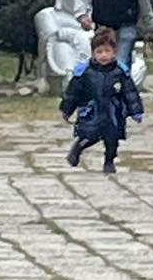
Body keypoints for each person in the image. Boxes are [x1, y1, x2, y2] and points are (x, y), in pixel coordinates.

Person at [60, 26, 144, 175]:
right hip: (92, 111)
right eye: (99, 52)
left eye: (107, 51)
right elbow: (73, 93)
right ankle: (77, 149)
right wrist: (67, 109)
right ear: (93, 53)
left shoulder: (120, 72)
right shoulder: (85, 72)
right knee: (89, 135)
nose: (103, 55)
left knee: (112, 139)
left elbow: (130, 92)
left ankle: (109, 161)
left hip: (113, 113)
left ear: (114, 52)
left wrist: (136, 111)